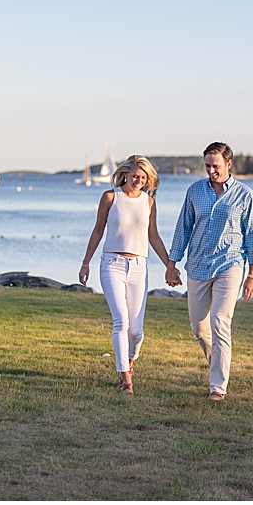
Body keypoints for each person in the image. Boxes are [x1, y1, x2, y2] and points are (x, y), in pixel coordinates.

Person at [166, 142, 253, 401]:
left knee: (220, 321)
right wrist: (172, 264)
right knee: (199, 328)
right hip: (197, 265)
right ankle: (218, 362)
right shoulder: (195, 191)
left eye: (215, 166)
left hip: (230, 264)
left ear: (228, 164)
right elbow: (183, 227)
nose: (210, 171)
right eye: (207, 165)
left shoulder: (245, 195)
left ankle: (218, 387)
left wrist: (252, 274)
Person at [80, 155, 180, 395]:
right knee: (121, 322)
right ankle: (125, 379)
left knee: (136, 331)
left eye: (143, 177)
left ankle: (132, 358)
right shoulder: (110, 197)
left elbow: (153, 236)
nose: (138, 180)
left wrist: (169, 265)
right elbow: (97, 231)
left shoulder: (149, 202)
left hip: (138, 267)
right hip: (111, 264)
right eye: (135, 175)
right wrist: (86, 263)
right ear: (125, 173)